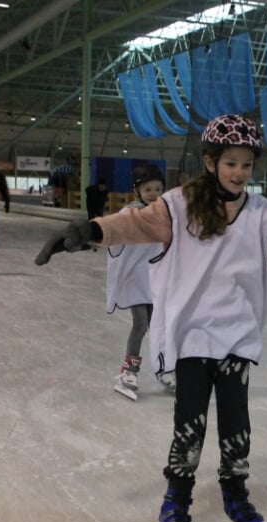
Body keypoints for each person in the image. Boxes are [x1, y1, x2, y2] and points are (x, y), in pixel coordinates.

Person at [36, 114, 267, 522]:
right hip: (192, 335)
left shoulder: (262, 214)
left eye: (246, 165)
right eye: (231, 163)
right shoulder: (177, 205)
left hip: (236, 333)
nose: (239, 173)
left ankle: (235, 496)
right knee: (191, 424)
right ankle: (175, 501)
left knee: (237, 424)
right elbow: (135, 224)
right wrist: (84, 232)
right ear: (210, 161)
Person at [107, 164, 165, 400]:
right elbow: (112, 233)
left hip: (154, 280)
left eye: (159, 189)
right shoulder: (129, 215)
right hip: (134, 278)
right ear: (137, 191)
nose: (154, 194)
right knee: (141, 324)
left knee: (160, 325)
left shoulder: (164, 215)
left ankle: (165, 368)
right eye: (148, 189)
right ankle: (128, 371)